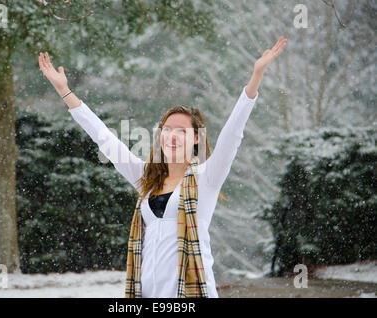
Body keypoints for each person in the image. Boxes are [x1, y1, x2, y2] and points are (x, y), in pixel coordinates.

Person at [38, 37, 287, 298]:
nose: (171, 136)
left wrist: (256, 77)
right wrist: (65, 93)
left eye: (181, 131)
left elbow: (233, 133)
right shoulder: (147, 179)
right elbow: (105, 138)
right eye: (167, 129)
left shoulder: (207, 178)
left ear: (196, 138)